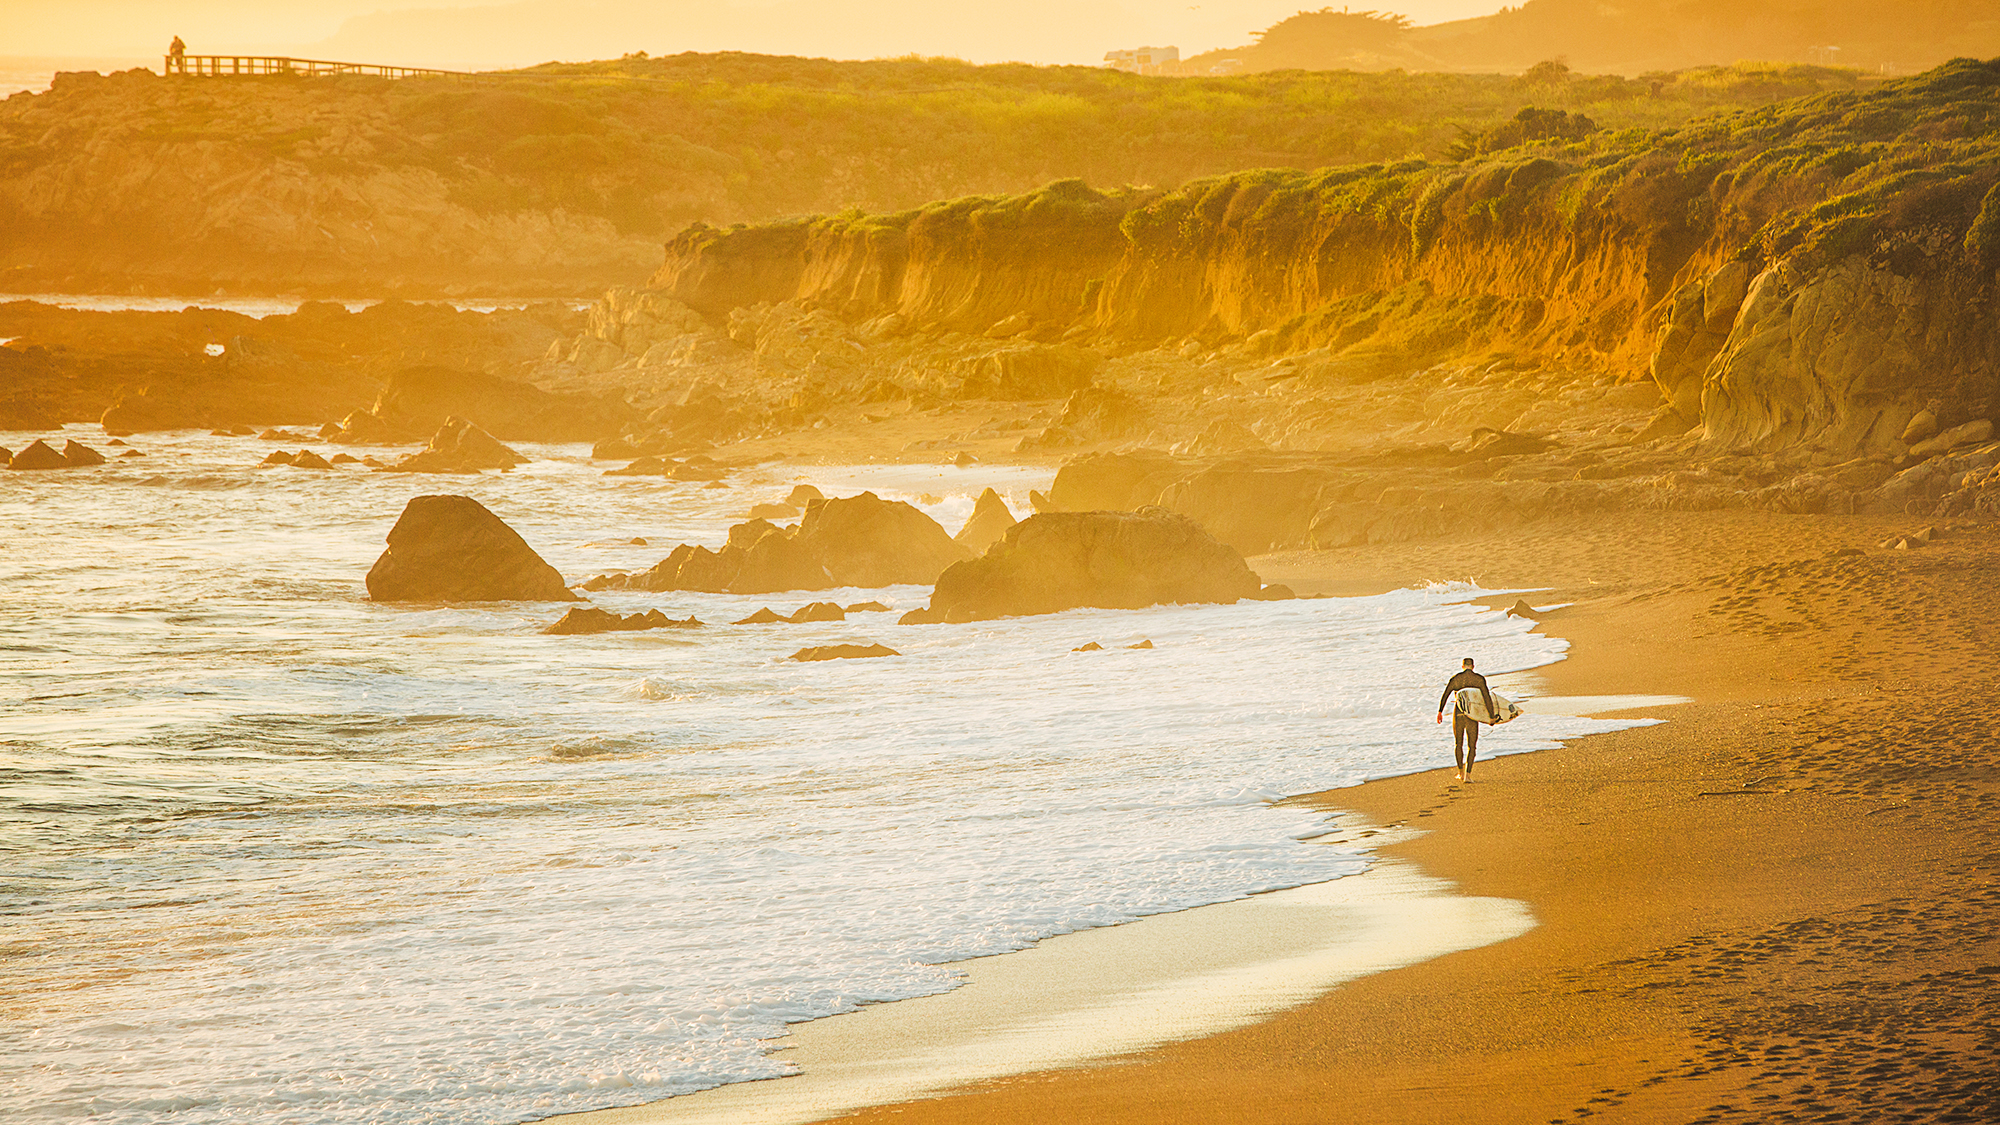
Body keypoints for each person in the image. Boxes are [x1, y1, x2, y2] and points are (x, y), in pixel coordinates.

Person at [1435, 656, 1495, 782]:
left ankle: (1460, 773)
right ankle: (1468, 775)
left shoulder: (1456, 678)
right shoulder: (1479, 679)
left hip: (1458, 713)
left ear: (1462, 666)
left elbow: (1445, 694)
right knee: (1472, 746)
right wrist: (1491, 716)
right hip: (1472, 714)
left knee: (1458, 744)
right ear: (1473, 666)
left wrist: (1440, 711)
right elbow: (1486, 698)